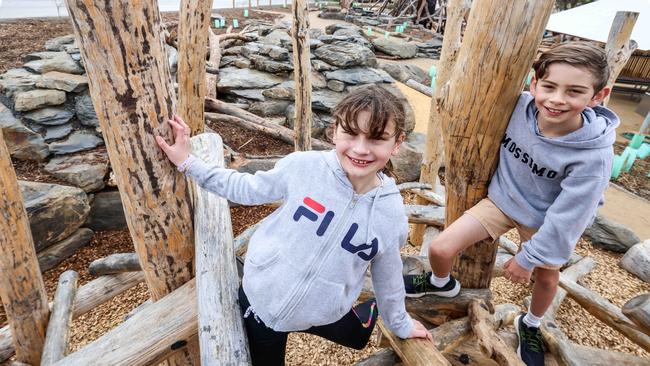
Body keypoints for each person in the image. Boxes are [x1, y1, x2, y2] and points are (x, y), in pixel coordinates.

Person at [156, 85, 431, 365]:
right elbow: (244, 188)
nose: (361, 148)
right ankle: (407, 289)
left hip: (325, 309)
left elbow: (387, 276)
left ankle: (387, 300)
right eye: (351, 133)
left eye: (376, 138)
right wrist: (188, 162)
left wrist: (399, 323)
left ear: (397, 143)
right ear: (334, 130)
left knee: (358, 338)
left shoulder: (391, 214)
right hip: (264, 304)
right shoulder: (303, 167)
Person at [404, 42, 619, 366]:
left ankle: (530, 323)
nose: (557, 99)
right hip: (503, 200)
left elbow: (569, 217)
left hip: (546, 218)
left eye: (574, 91)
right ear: (534, 85)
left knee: (547, 279)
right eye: (549, 87)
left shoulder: (594, 156)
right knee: (440, 248)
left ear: (598, 96)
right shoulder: (518, 106)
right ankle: (440, 282)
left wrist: (530, 257)